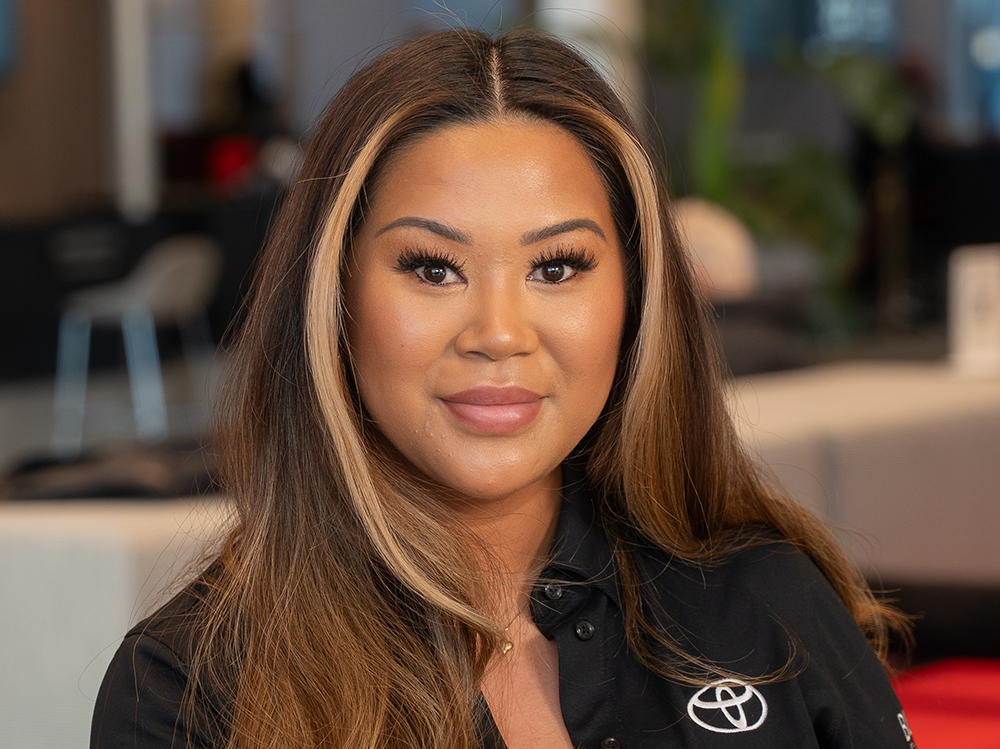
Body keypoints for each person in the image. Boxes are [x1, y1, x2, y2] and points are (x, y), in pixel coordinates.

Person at [91, 28, 914, 749]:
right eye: (432, 268)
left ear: (634, 299)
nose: (498, 331)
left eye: (556, 267)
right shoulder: (187, 685)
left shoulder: (767, 598)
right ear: (333, 296)